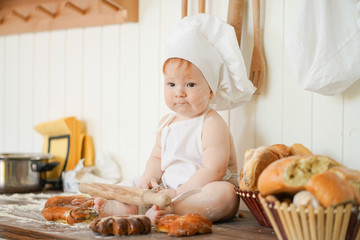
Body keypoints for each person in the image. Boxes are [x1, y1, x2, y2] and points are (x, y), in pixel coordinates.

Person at [93, 14, 256, 224]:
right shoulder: (167, 123)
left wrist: (178, 193)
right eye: (171, 84)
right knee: (133, 182)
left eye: (190, 85)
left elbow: (213, 170)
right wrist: (149, 178)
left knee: (225, 195)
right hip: (166, 188)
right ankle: (124, 205)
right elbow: (156, 159)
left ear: (211, 91)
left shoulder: (211, 123)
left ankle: (167, 208)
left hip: (197, 190)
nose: (179, 92)